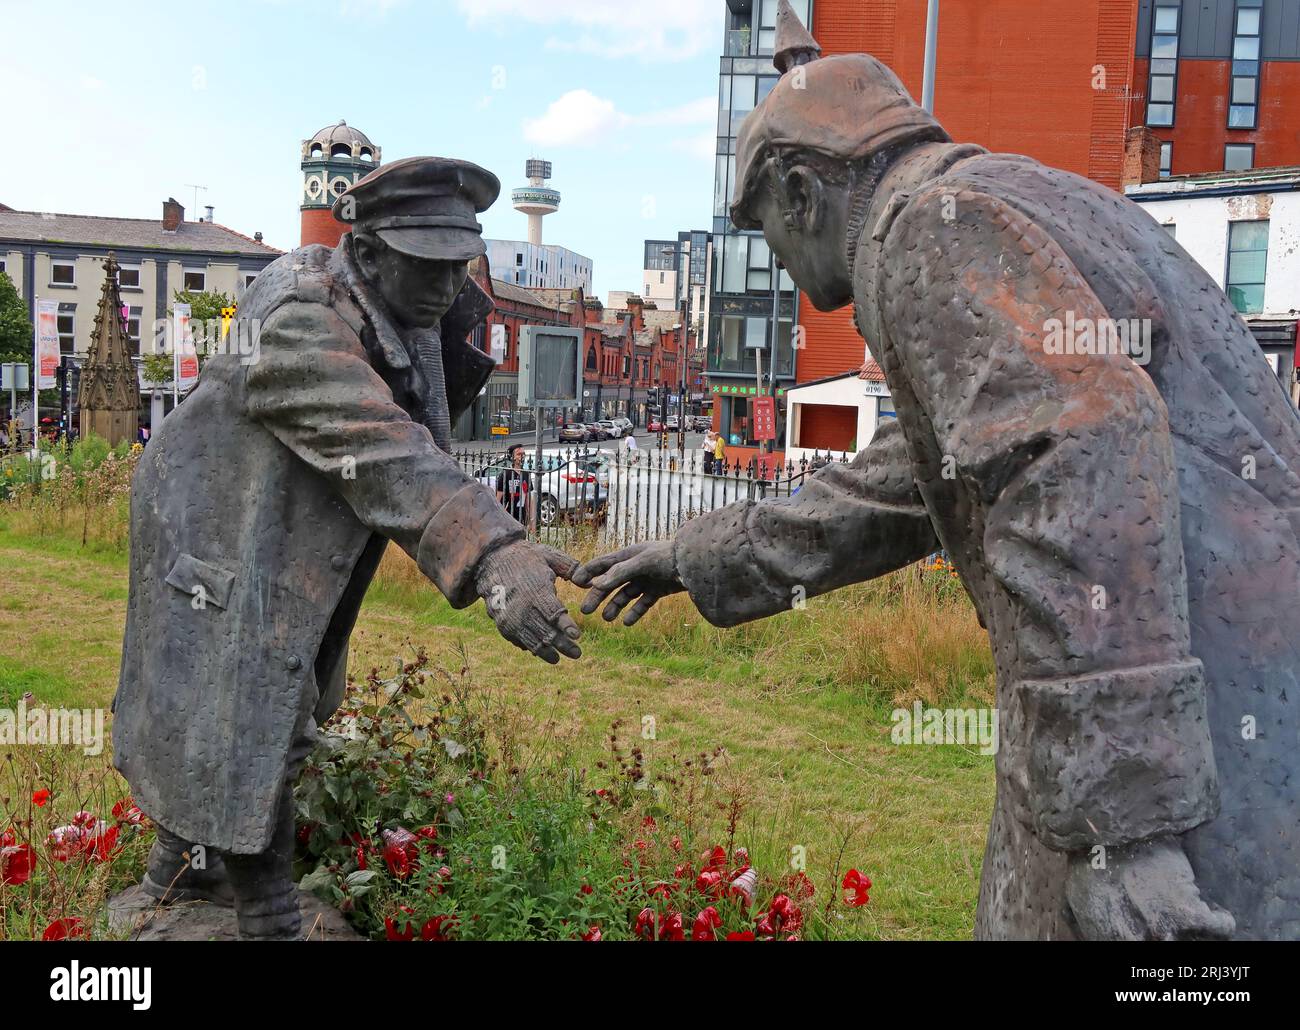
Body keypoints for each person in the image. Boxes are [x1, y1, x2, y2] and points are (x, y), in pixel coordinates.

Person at [575, 0, 1300, 941]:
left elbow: (1083, 454)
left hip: (1178, 761)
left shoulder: (931, 231)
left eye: (767, 232)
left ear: (802, 193)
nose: (781, 266)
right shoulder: (1027, 196)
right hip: (1205, 714)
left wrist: (1124, 826)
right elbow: (910, 480)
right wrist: (700, 555)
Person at [114, 156, 582, 940]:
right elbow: (384, 444)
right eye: (424, 265)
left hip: (284, 533)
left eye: (455, 266)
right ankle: (265, 911)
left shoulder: (403, 310)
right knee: (252, 711)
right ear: (366, 255)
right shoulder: (300, 313)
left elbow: (423, 429)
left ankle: (172, 877)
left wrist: (456, 322)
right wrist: (494, 553)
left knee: (246, 705)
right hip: (215, 532)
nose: (444, 287)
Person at [494, 443, 532, 525]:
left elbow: (528, 500)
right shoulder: (506, 474)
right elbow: (498, 499)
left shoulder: (526, 474)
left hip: (522, 518)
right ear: (512, 457)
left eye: (523, 454)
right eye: (519, 454)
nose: (522, 457)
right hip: (508, 518)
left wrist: (531, 521)